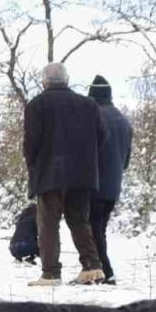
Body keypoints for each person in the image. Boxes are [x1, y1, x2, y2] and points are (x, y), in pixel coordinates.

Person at [22, 63, 106, 286]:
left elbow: (31, 143)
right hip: (82, 174)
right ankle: (92, 267)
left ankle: (51, 273)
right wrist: (87, 160)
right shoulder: (88, 105)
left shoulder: (36, 105)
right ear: (66, 80)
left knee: (48, 223)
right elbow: (102, 136)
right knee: (80, 220)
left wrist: (34, 166)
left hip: (49, 173)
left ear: (44, 81)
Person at [87, 75, 133, 285]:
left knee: (93, 230)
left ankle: (103, 271)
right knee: (99, 229)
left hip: (94, 183)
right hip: (114, 184)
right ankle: (98, 270)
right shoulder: (123, 121)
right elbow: (126, 160)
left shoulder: (93, 118)